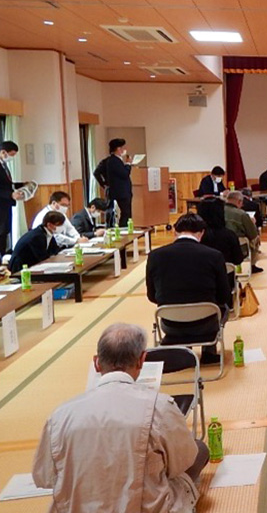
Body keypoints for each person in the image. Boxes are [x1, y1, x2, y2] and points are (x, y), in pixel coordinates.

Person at [33, 323, 208, 512]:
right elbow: (183, 461)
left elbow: (43, 477)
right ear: (142, 360)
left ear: (97, 363)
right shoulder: (159, 405)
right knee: (199, 449)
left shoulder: (60, 415)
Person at [146, 213, 230, 364]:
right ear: (202, 233)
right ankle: (209, 353)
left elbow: (152, 296)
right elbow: (224, 296)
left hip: (170, 324)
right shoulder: (214, 255)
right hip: (206, 324)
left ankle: (183, 352)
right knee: (222, 307)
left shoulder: (155, 256)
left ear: (175, 232)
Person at [196, 199, 244, 289]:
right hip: (225, 285)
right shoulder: (229, 235)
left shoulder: (196, 237)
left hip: (199, 285)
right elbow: (238, 260)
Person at [94, 138, 133, 227]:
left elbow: (96, 172)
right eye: (123, 147)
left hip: (113, 191)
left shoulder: (107, 160)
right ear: (119, 149)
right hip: (121, 192)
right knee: (126, 213)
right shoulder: (115, 161)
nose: (124, 150)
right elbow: (124, 174)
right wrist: (128, 164)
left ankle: (115, 228)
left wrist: (104, 183)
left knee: (113, 212)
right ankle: (124, 231)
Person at [224, 191, 263, 273]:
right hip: (238, 242)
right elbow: (252, 233)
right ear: (239, 201)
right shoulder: (241, 214)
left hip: (221, 240)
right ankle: (252, 265)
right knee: (256, 239)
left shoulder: (219, 211)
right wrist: (253, 223)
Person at [0, 140, 24, 255]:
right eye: (11, 155)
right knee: (1, 234)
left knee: (5, 233)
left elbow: (7, 184)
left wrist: (22, 184)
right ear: (3, 152)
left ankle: (3, 258)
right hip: (1, 206)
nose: (11, 158)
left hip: (6, 206)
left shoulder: (4, 165)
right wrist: (10, 194)